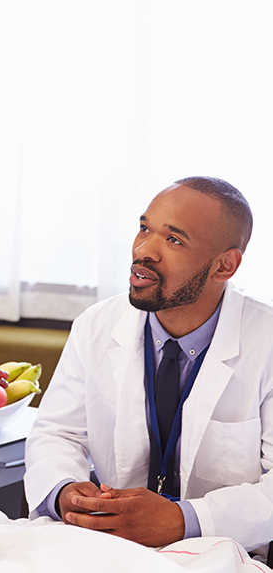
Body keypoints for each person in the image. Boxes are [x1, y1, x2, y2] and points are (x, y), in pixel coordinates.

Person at [24, 176, 273, 556]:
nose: (144, 250)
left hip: (223, 553)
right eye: (144, 228)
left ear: (225, 266)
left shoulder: (266, 343)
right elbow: (57, 433)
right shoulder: (96, 324)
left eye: (173, 240)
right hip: (109, 547)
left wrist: (182, 519)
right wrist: (65, 491)